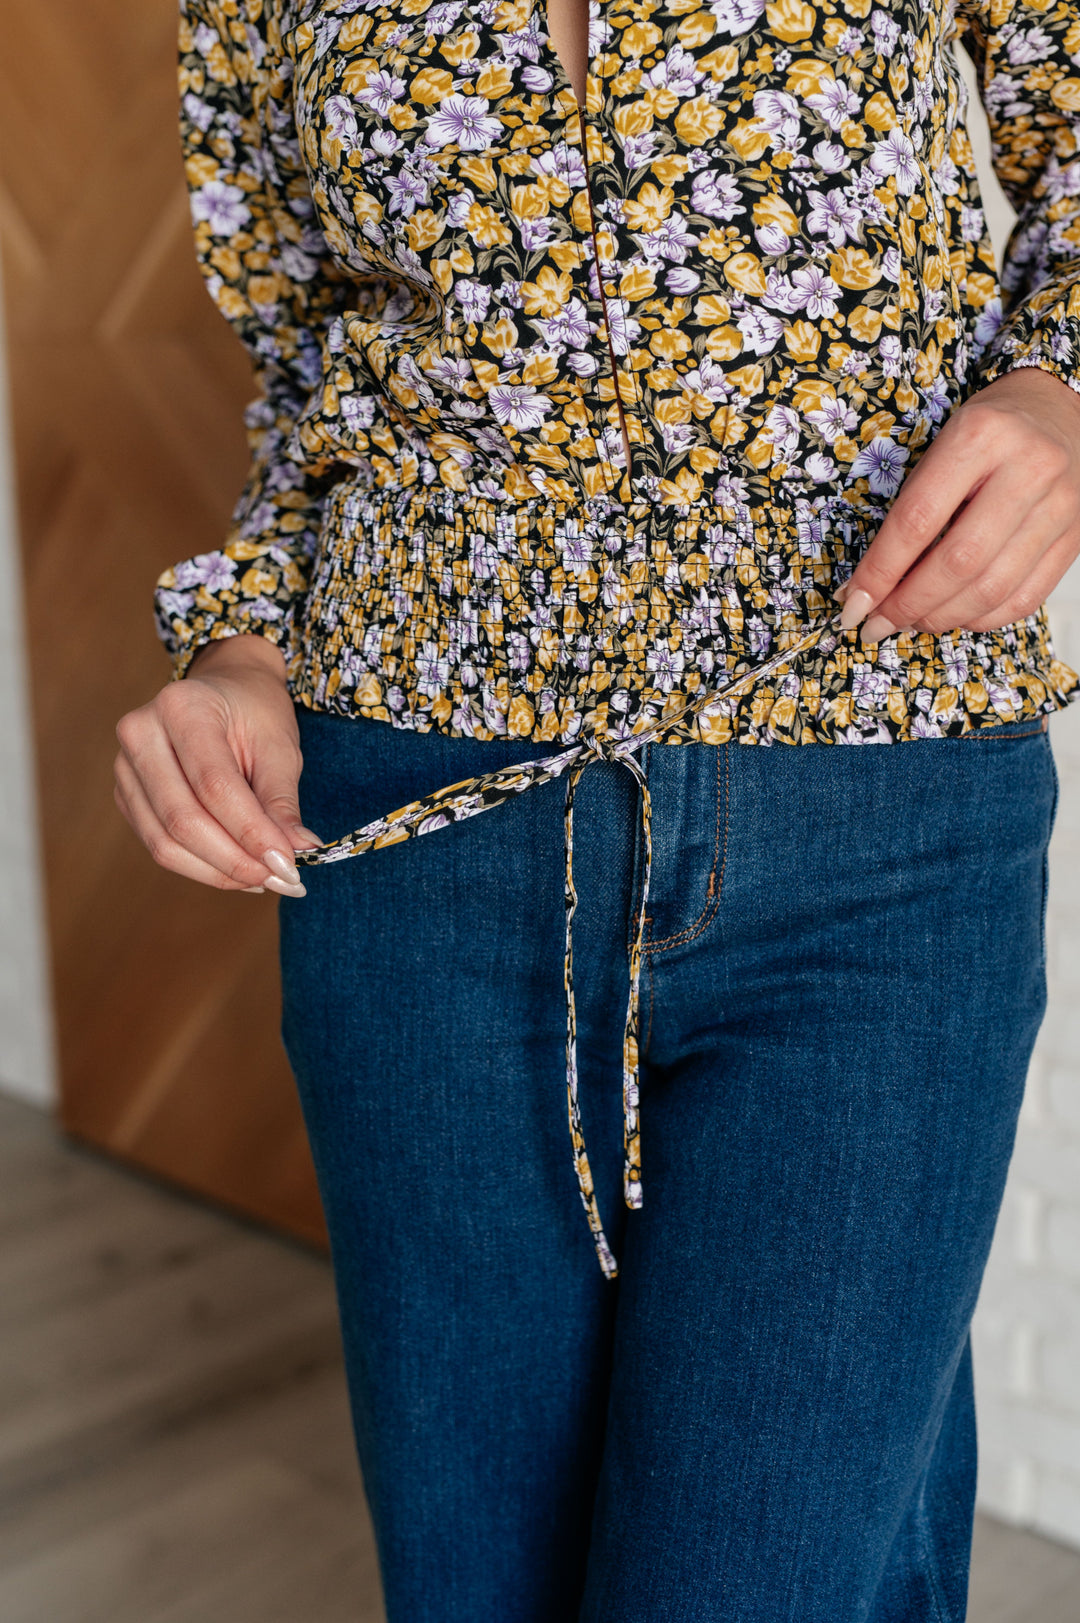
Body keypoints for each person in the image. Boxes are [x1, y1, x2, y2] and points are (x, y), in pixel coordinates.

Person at [115, 0, 1079, 1614]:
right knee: (476, 1581)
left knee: (761, 1576)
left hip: (877, 829)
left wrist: (1061, 394)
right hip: (422, 839)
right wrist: (238, 652)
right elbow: (309, 367)